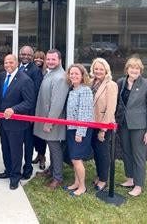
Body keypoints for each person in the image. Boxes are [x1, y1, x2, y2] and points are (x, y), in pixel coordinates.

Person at [115, 57, 147, 197]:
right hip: (123, 124)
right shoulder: (121, 82)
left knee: (138, 156)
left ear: (140, 70)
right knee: (126, 152)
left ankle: (138, 185)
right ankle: (130, 179)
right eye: (131, 68)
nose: (134, 70)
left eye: (137, 68)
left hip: (139, 126)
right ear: (127, 69)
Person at [0, 55, 35, 190]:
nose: (8, 65)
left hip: (17, 123)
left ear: (17, 63)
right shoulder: (1, 77)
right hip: (3, 121)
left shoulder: (25, 80)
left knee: (15, 151)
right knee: (5, 148)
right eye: (5, 62)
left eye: (11, 62)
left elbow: (29, 102)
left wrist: (14, 109)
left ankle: (15, 177)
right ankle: (8, 170)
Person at [33, 49, 70, 190]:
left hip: (53, 121)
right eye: (48, 59)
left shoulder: (60, 77)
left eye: (53, 59)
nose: (50, 62)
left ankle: (58, 178)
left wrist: (49, 122)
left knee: (55, 148)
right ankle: (51, 170)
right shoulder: (49, 73)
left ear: (60, 60)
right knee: (51, 146)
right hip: (45, 117)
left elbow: (57, 104)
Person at [64, 64, 94, 196]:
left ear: (82, 76)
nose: (73, 76)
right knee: (74, 158)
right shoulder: (72, 90)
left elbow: (85, 114)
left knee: (77, 159)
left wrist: (80, 132)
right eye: (71, 73)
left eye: (77, 73)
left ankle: (82, 186)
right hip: (71, 128)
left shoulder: (85, 90)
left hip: (80, 130)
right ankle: (76, 182)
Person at [90, 58, 118, 192]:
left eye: (101, 69)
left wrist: (103, 129)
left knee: (102, 153)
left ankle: (103, 180)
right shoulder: (91, 83)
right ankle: (99, 175)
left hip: (103, 124)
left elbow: (110, 109)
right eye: (96, 69)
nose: (98, 71)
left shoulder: (111, 85)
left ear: (106, 70)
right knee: (96, 152)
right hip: (91, 123)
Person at [18, 45, 43, 180]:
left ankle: (27, 168)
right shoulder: (18, 67)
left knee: (28, 143)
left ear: (32, 57)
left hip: (28, 113)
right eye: (23, 54)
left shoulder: (35, 71)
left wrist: (32, 115)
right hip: (17, 112)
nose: (25, 56)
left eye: (28, 55)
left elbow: (36, 94)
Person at [32, 50, 47, 170]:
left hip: (42, 108)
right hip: (33, 106)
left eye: (41, 58)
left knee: (42, 135)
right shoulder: (31, 71)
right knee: (34, 134)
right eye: (36, 58)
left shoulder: (46, 73)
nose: (38, 60)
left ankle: (42, 157)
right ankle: (38, 154)